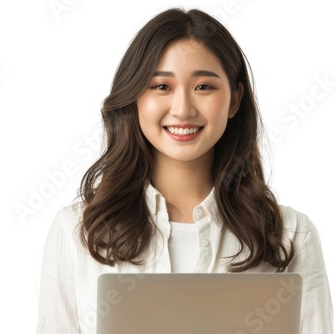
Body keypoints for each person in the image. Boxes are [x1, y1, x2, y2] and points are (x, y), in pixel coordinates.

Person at [36, 7, 333, 334]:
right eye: (161, 87)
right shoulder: (78, 232)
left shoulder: (291, 234)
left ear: (234, 100)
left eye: (204, 86)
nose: (182, 109)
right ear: (135, 97)